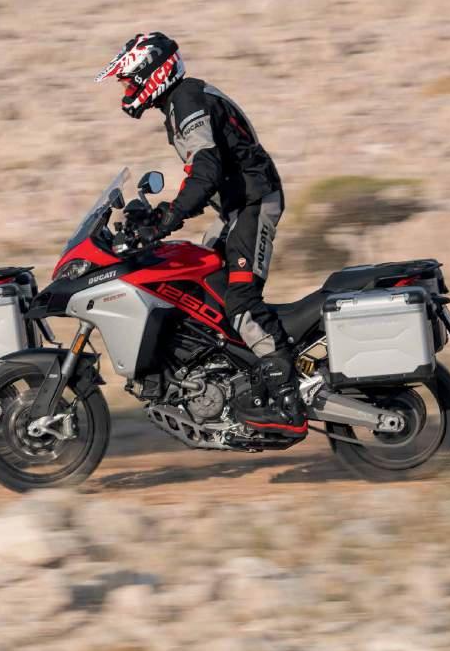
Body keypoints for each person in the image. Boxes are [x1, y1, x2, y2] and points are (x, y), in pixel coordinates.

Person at [96, 32, 307, 438]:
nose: (127, 90)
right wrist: (154, 213)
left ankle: (288, 402)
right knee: (202, 283)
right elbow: (206, 172)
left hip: (253, 204)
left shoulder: (187, 101)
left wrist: (168, 218)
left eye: (129, 81)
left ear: (152, 74)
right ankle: (232, 379)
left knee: (241, 299)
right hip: (234, 209)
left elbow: (206, 171)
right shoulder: (183, 100)